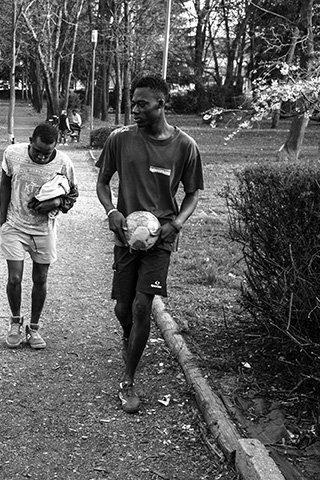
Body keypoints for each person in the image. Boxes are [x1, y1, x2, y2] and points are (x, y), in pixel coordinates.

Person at [95, 74, 203, 414]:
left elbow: (193, 192)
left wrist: (177, 224)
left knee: (144, 307)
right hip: (126, 237)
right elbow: (102, 181)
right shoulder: (119, 139)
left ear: (162, 104)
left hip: (161, 239)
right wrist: (112, 210)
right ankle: (130, 338)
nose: (135, 109)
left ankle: (128, 379)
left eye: (142, 104)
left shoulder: (185, 146)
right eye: (133, 103)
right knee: (123, 310)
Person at [0, 123, 78, 349]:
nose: (43, 157)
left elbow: (73, 194)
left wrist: (56, 202)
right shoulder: (12, 154)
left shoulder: (64, 163)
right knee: (14, 278)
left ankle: (33, 328)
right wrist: (2, 221)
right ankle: (15, 323)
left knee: (40, 279)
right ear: (30, 141)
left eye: (48, 153)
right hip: (15, 225)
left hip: (44, 229)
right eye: (38, 151)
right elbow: (4, 185)